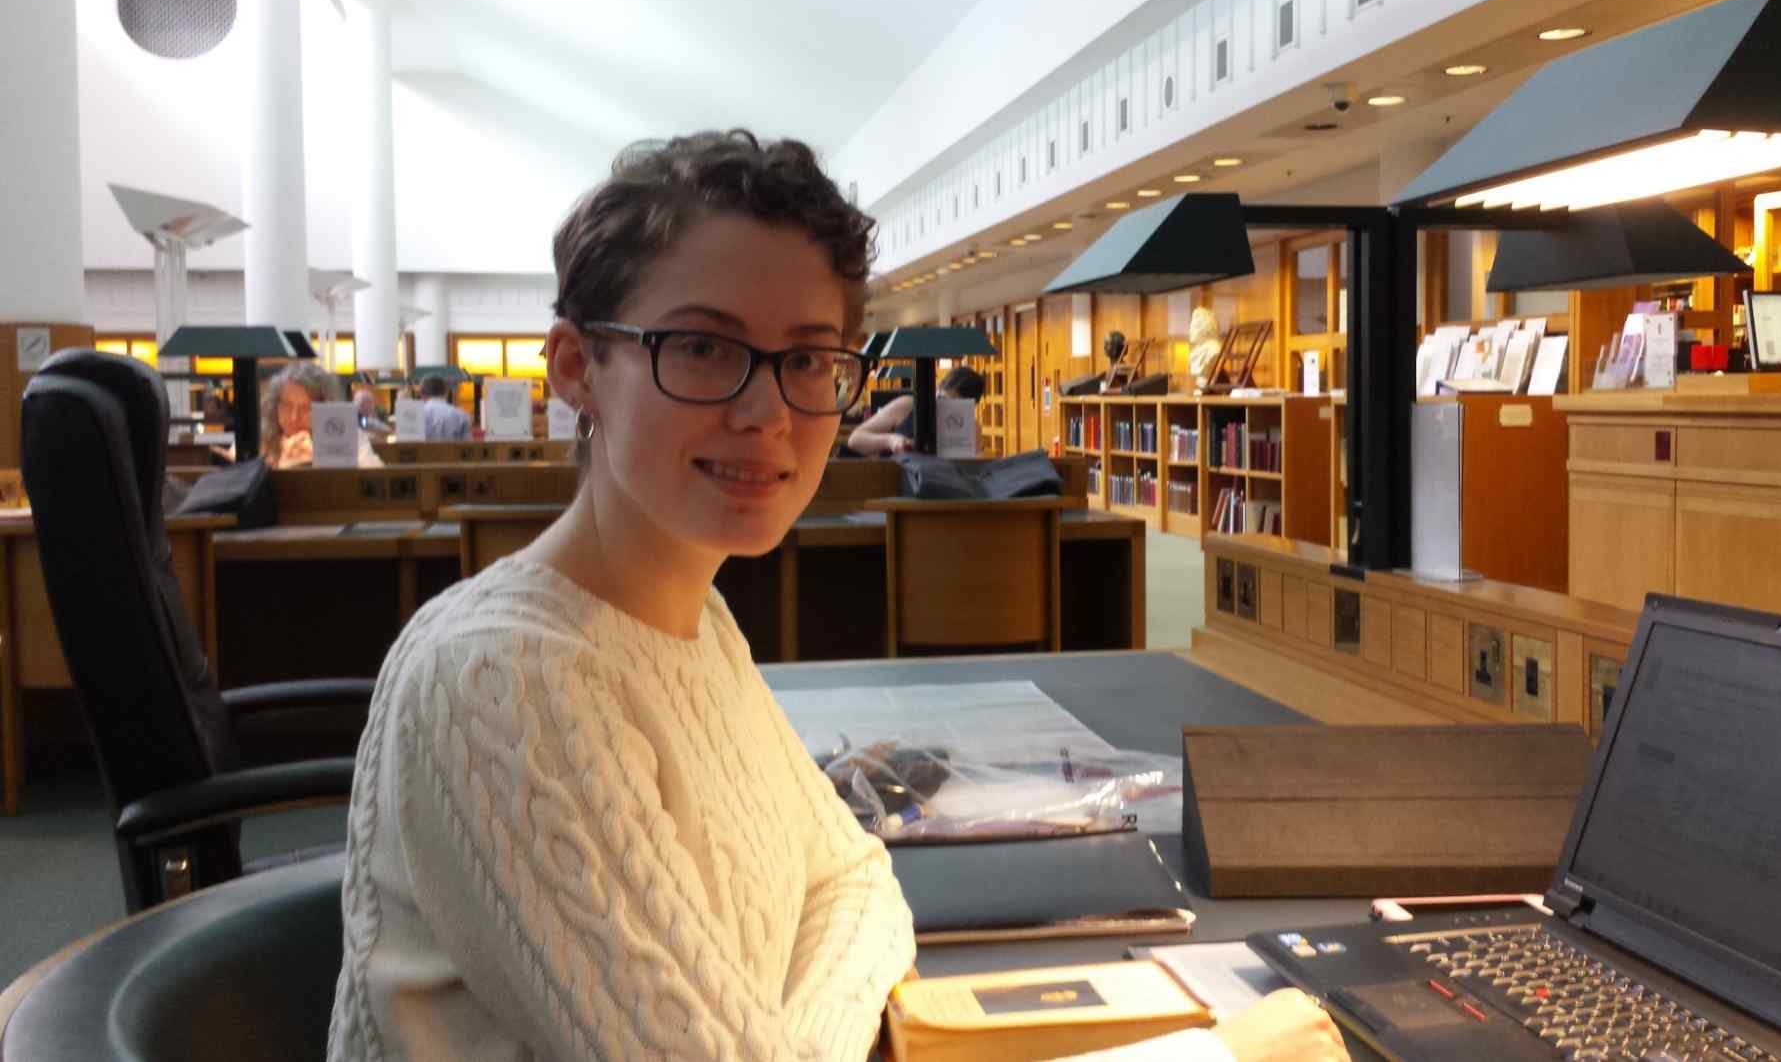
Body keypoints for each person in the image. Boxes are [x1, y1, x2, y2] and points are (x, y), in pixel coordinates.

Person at [327, 131, 1345, 1062]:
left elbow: (857, 881)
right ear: (573, 366)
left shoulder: (689, 617)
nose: (767, 410)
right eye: (703, 347)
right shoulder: (503, 679)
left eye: (807, 358)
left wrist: (779, 1036)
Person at [261, 361, 383, 468]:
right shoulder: (264, 442)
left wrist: (320, 462)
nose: (294, 417)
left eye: (306, 408)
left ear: (325, 408)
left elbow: (376, 480)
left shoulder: (349, 436)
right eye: (287, 406)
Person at [844, 364, 984, 457]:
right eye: (942, 399)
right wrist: (890, 440)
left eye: (955, 406)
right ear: (936, 390)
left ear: (970, 407)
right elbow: (855, 439)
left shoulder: (972, 427)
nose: (944, 407)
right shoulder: (907, 406)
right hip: (892, 482)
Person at [414, 374, 472, 440]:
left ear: (422, 393)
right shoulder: (461, 415)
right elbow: (467, 444)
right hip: (452, 450)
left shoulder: (416, 414)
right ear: (446, 392)